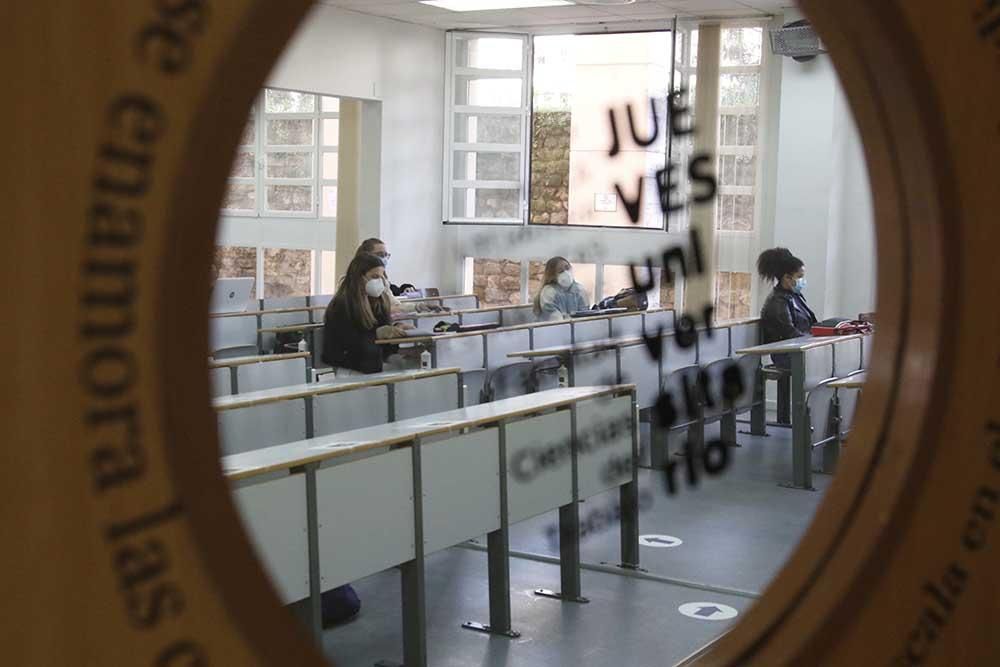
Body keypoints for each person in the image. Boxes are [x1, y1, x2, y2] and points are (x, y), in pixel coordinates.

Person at [756, 247, 818, 423]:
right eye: (799, 277)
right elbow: (790, 333)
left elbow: (811, 323)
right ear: (787, 278)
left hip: (801, 349)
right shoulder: (777, 302)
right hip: (785, 354)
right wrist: (814, 343)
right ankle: (806, 419)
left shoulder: (795, 297)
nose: (802, 281)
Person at [323, 253, 409, 376]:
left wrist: (396, 331)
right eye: (374, 277)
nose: (379, 282)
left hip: (373, 364)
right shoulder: (342, 305)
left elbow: (385, 344)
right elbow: (344, 344)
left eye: (381, 277)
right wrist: (377, 334)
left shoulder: (379, 301)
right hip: (351, 368)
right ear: (359, 277)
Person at [355, 238, 444, 314]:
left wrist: (418, 306)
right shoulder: (350, 284)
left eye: (386, 255)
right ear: (366, 256)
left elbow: (394, 305)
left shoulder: (383, 282)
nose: (384, 258)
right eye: (380, 255)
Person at [532, 256, 590, 321]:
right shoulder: (548, 293)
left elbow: (585, 315)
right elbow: (556, 321)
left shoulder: (579, 289)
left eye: (567, 268)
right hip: (551, 330)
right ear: (552, 275)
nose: (566, 273)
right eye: (560, 271)